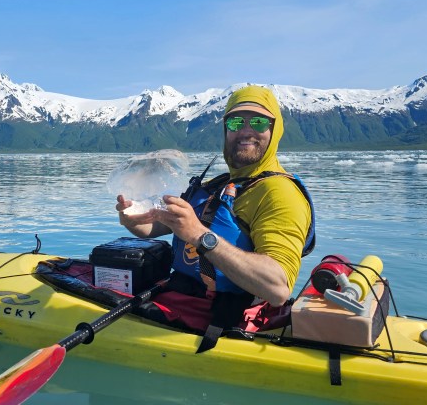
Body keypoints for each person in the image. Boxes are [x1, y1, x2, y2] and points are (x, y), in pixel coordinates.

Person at [115, 85, 315, 348]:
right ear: (226, 130)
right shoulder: (222, 184)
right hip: (187, 300)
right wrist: (133, 221)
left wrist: (200, 235)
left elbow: (278, 288)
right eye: (235, 122)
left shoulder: (279, 194)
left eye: (257, 122)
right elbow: (158, 227)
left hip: (227, 322)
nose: (245, 130)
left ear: (274, 130)